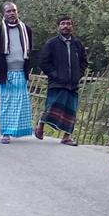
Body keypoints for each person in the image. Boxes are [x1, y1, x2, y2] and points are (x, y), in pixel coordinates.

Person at [0, 1, 34, 144]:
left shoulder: (26, 30)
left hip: (21, 72)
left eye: (14, 11)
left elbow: (29, 49)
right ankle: (5, 133)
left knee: (20, 103)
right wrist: (0, 58)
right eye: (8, 11)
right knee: (6, 103)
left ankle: (17, 131)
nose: (11, 14)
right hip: (5, 74)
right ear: (3, 14)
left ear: (18, 12)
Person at [36, 15, 88, 146]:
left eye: (68, 24)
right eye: (63, 23)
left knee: (71, 110)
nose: (66, 26)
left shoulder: (77, 44)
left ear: (72, 26)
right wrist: (55, 75)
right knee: (52, 106)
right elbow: (43, 62)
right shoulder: (52, 43)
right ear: (58, 26)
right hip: (57, 83)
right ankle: (40, 126)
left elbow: (84, 62)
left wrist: (78, 75)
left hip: (73, 84)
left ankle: (67, 136)